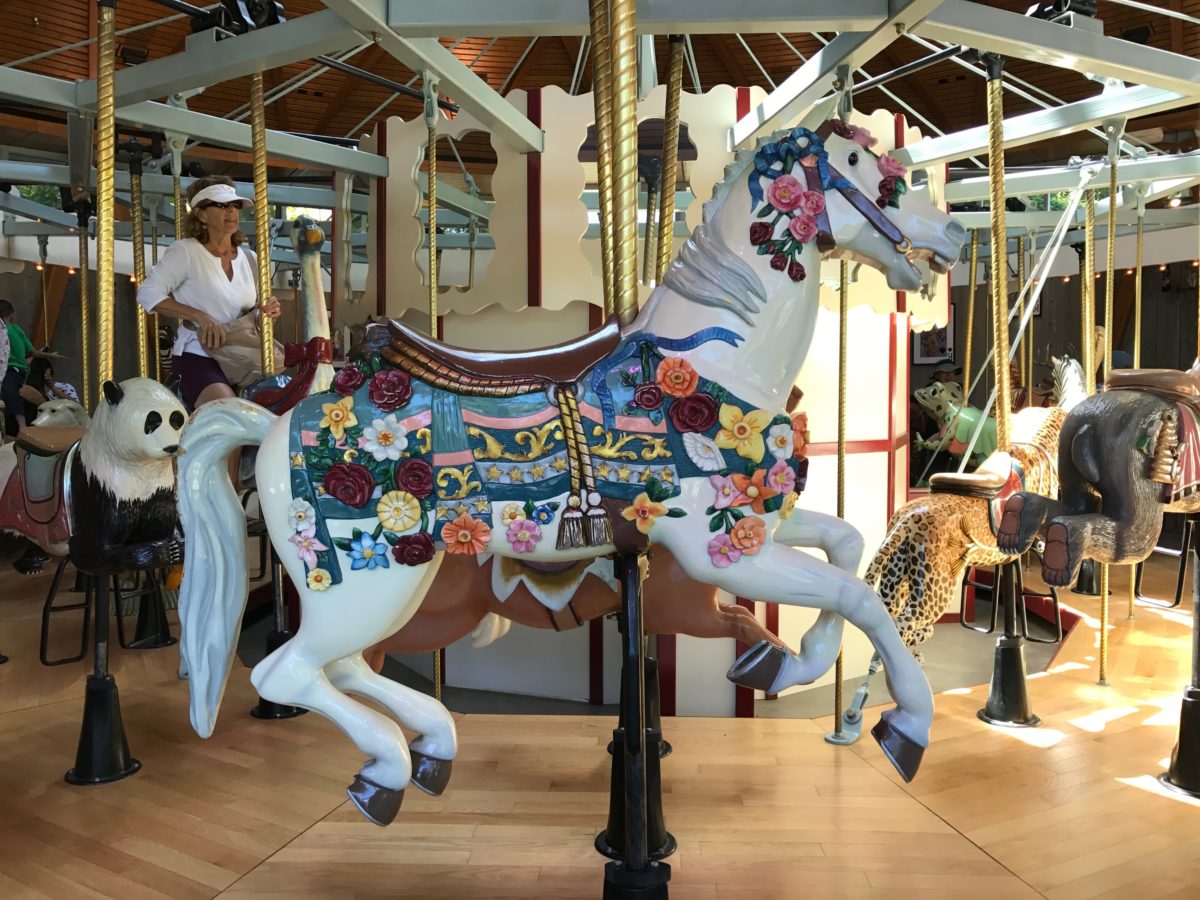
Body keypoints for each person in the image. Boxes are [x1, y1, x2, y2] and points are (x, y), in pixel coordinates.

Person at [136, 175, 281, 411]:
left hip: (241, 354)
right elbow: (147, 294)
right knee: (228, 414)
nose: (232, 212)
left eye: (235, 206)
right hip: (200, 353)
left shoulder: (250, 258)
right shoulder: (186, 252)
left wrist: (267, 311)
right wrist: (200, 316)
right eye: (222, 205)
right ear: (201, 214)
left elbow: (254, 310)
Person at [1, 299, 62, 436]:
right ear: (12, 315)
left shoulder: (14, 329)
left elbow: (33, 352)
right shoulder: (12, 329)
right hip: (5, 369)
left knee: (8, 386)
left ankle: (22, 425)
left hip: (13, 370)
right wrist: (50, 355)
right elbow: (33, 352)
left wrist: (49, 355)